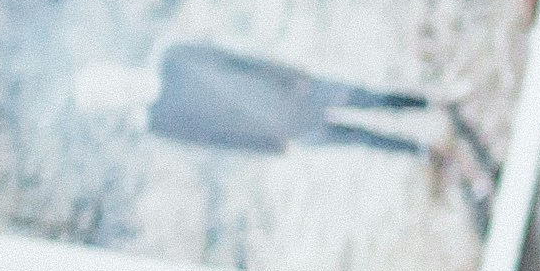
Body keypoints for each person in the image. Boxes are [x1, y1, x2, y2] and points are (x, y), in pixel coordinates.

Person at [65, 44, 472, 170]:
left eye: (110, 82)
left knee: (371, 98)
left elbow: (237, 60)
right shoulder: (157, 122)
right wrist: (271, 146)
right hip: (282, 129)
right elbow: (216, 141)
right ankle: (430, 152)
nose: (118, 90)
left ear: (115, 68)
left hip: (296, 93)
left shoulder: (173, 56)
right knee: (361, 139)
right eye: (108, 98)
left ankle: (436, 101)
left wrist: (292, 74)